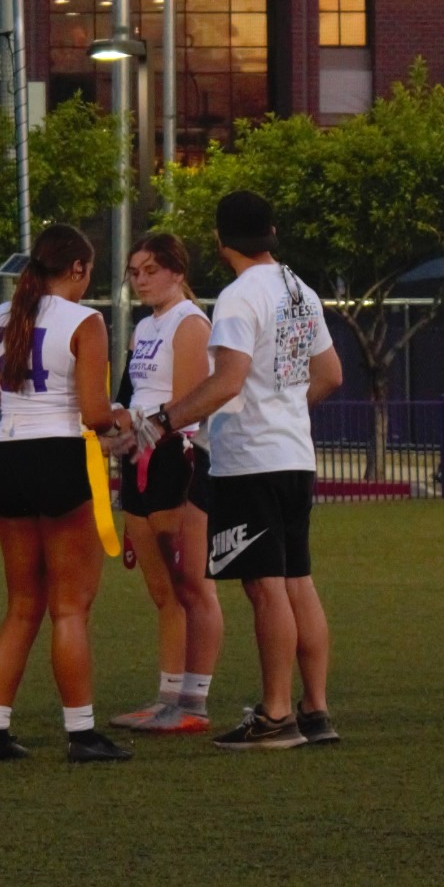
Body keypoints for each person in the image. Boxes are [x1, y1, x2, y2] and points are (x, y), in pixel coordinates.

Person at [135, 190, 343, 751]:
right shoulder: (301, 290)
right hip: (295, 455)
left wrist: (161, 421)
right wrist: (287, 410)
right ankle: (315, 709)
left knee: (263, 585)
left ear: (223, 240)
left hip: (249, 460)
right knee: (298, 580)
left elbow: (227, 382)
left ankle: (276, 715)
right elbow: (330, 373)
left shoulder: (236, 296)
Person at [0, 224, 134, 764]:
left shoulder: (0, 318)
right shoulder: (84, 321)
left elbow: (1, 396)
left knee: (21, 606)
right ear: (77, 270)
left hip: (9, 456)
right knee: (70, 608)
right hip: (59, 456)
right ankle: (81, 732)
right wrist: (125, 417)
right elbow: (92, 413)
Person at [108, 233, 222, 736]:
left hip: (175, 457)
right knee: (160, 587)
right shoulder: (144, 327)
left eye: (152, 269)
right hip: (138, 456)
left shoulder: (190, 322)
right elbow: (126, 394)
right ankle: (167, 696)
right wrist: (114, 432)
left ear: (178, 272)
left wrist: (143, 433)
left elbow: (188, 402)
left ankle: (193, 701)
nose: (141, 279)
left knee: (191, 583)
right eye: (135, 272)